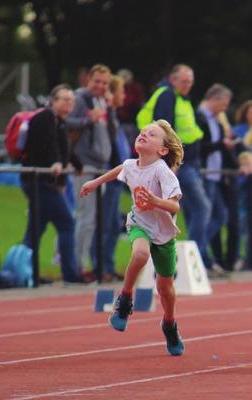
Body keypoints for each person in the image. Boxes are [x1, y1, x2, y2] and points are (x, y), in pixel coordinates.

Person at [79, 120, 186, 356]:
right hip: (139, 224)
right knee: (139, 253)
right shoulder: (130, 164)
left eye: (152, 134)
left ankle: (169, 323)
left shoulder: (162, 171)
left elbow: (174, 207)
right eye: (142, 132)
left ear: (163, 150)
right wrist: (95, 182)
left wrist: (155, 201)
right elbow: (120, 169)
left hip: (164, 234)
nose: (144, 134)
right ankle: (125, 299)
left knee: (165, 287)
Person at [137, 64, 213, 271]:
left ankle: (178, 259)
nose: (188, 85)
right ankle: (194, 259)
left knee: (181, 212)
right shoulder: (168, 96)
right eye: (184, 81)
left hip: (188, 163)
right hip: (180, 164)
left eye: (190, 82)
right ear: (173, 80)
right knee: (200, 208)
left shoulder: (180, 98)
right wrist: (171, 162)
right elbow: (165, 129)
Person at [21, 84, 84, 284]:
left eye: (71, 100)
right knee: (67, 223)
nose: (69, 103)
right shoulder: (46, 117)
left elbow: (63, 148)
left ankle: (27, 273)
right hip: (40, 181)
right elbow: (48, 145)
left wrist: (76, 164)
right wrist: (55, 163)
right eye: (64, 99)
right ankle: (70, 273)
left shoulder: (60, 121)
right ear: (53, 101)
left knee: (36, 228)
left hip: (44, 181)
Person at [66, 64, 112, 279]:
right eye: (97, 81)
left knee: (91, 218)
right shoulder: (80, 99)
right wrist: (87, 119)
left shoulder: (102, 101)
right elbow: (64, 121)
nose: (100, 86)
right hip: (83, 165)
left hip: (100, 166)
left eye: (104, 83)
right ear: (88, 80)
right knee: (86, 217)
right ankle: (76, 263)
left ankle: (79, 260)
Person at [90, 75, 131, 282]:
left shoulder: (113, 115)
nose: (124, 96)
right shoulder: (107, 115)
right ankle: (99, 265)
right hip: (110, 175)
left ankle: (107, 264)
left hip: (118, 177)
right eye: (121, 92)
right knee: (104, 223)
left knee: (114, 224)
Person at [196, 83, 236, 273]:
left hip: (215, 175)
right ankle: (199, 255)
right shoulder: (200, 117)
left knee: (220, 215)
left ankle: (199, 252)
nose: (225, 108)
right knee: (206, 214)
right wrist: (221, 144)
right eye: (224, 103)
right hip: (204, 173)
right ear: (215, 99)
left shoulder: (215, 119)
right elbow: (200, 146)